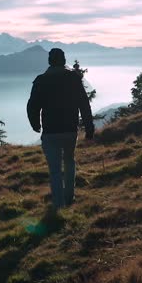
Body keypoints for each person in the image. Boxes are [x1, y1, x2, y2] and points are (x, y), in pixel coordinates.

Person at [26, 48, 94, 209]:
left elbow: (32, 106)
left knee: (55, 170)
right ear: (64, 61)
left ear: (50, 61)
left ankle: (59, 205)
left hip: (50, 131)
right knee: (69, 161)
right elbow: (84, 104)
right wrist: (89, 128)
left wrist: (35, 124)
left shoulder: (41, 80)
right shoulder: (73, 79)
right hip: (70, 129)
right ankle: (70, 197)